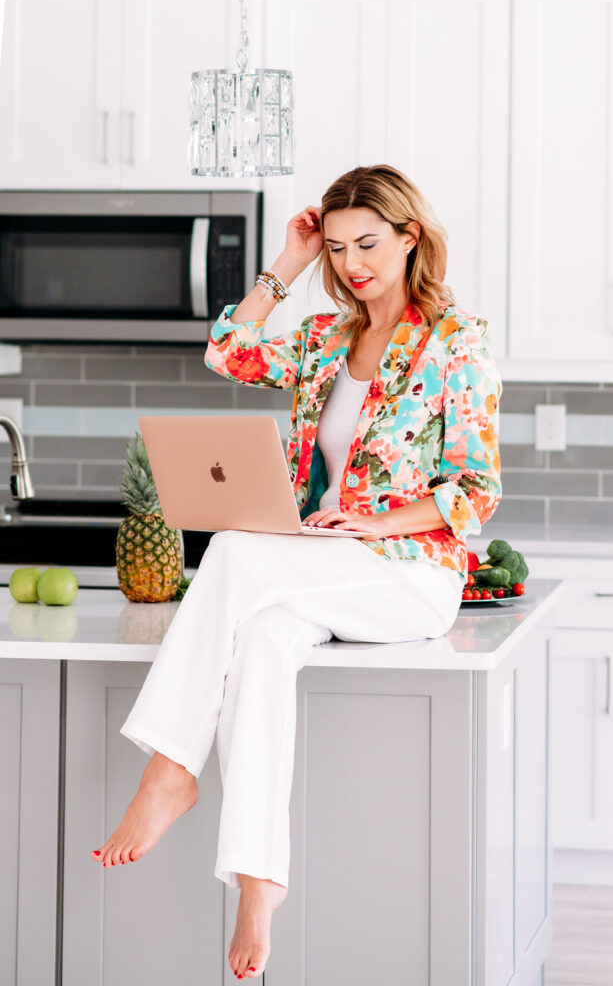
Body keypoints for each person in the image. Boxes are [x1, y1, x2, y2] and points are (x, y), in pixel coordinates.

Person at [89, 163, 502, 980]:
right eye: (339, 247)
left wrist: (375, 520)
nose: (351, 264)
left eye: (369, 245)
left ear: (410, 236)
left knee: (236, 551)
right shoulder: (322, 339)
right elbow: (227, 352)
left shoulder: (457, 341)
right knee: (268, 641)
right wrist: (287, 262)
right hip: (326, 564)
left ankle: (172, 768)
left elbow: (476, 493)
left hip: (409, 574)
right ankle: (258, 883)